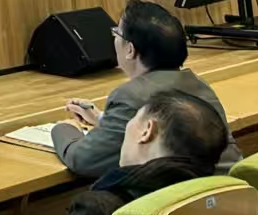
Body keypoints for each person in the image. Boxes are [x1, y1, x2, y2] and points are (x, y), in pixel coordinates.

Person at [51, 0, 241, 178]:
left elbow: (84, 160)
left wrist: (65, 129)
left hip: (185, 197)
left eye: (116, 33)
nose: (114, 38)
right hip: (229, 189)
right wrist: (102, 119)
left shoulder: (129, 96)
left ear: (130, 50)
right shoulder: (198, 84)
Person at [67, 90, 229, 214]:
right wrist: (101, 120)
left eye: (134, 119)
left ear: (147, 131)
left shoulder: (99, 207)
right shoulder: (220, 194)